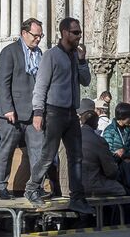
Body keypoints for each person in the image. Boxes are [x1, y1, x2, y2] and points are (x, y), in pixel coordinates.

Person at [28, 17, 92, 214]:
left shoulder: (75, 56)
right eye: (75, 32)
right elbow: (41, 85)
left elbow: (86, 81)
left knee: (76, 156)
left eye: (80, 32)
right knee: (48, 154)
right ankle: (32, 188)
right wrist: (38, 112)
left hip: (72, 111)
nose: (79, 36)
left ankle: (77, 197)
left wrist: (82, 61)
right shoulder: (51, 56)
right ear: (64, 33)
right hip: (54, 111)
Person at [0, 18, 45, 199]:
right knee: (6, 150)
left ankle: (36, 187)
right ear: (24, 33)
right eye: (35, 35)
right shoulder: (10, 52)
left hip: (33, 113)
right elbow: (3, 82)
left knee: (38, 151)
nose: (38, 39)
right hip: (12, 112)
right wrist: (8, 108)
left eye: (40, 36)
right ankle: (1, 187)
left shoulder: (39, 53)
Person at [78, 98, 128, 196]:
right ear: (96, 124)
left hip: (69, 185)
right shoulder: (98, 140)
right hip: (89, 185)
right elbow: (111, 172)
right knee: (120, 189)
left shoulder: (69, 138)